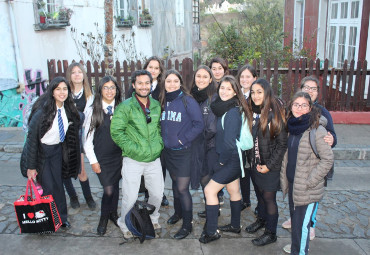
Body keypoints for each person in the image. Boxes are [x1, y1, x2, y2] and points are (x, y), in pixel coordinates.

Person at [21, 76, 81, 229]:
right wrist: (31, 166)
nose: (62, 92)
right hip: (42, 152)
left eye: (65, 89)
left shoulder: (67, 109)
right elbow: (32, 141)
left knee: (59, 186)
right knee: (48, 187)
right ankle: (48, 218)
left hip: (57, 151)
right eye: (58, 89)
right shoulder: (42, 112)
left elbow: (74, 126)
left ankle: (62, 218)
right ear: (52, 91)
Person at [281, 75, 337, 240]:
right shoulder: (292, 121)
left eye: (314, 88)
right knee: (297, 215)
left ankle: (309, 226)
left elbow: (331, 138)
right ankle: (298, 230)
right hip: (295, 178)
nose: (310, 90)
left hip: (311, 173)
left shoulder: (321, 115)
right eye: (307, 87)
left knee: (305, 219)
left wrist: (331, 139)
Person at [111, 70, 164, 239]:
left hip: (154, 159)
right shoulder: (125, 106)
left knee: (157, 193)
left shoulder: (155, 105)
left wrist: (159, 145)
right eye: (140, 83)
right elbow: (117, 132)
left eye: (147, 83)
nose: (144, 86)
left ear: (151, 84)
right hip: (133, 159)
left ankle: (153, 217)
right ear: (133, 85)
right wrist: (134, 149)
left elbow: (159, 128)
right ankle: (124, 223)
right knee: (130, 195)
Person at [199, 75, 251, 244]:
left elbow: (229, 143)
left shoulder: (232, 112)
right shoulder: (228, 108)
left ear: (235, 91)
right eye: (222, 88)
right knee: (234, 190)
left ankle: (212, 231)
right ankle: (235, 225)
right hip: (234, 160)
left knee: (210, 191)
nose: (225, 91)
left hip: (230, 160)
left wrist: (221, 162)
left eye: (229, 89)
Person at [159, 69, 204, 239]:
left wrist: (182, 139)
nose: (172, 84)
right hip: (168, 152)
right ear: (164, 83)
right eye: (168, 81)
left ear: (180, 83)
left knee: (182, 188)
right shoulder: (163, 101)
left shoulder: (187, 101)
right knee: (175, 184)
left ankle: (187, 225)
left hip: (184, 152)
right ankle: (178, 214)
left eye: (175, 81)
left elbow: (198, 125)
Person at [245, 78, 287, 246]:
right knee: (260, 196)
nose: (255, 96)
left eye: (259, 92)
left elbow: (282, 144)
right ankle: (261, 220)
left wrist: (268, 166)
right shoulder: (252, 111)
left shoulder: (274, 114)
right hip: (255, 164)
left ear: (267, 93)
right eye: (253, 92)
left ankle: (271, 233)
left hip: (270, 167)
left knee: (269, 198)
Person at [83, 76, 123, 236]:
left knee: (115, 187)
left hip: (119, 157)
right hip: (102, 159)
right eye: (105, 87)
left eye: (112, 87)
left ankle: (113, 214)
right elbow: (86, 140)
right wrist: (93, 161)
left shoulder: (121, 108)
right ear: (100, 90)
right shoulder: (93, 110)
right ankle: (103, 218)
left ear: (117, 90)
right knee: (108, 189)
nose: (109, 91)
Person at [63, 62, 96, 210]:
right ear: (70, 75)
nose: (77, 74)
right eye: (73, 72)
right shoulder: (64, 92)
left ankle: (88, 197)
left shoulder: (89, 95)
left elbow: (89, 120)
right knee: (63, 169)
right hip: (63, 136)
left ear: (83, 75)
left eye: (79, 72)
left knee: (81, 170)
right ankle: (73, 197)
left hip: (79, 136)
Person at [189, 65, 218, 218]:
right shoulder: (190, 96)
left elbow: (212, 127)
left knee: (207, 177)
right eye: (198, 76)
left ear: (210, 79)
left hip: (209, 144)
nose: (201, 79)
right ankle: (211, 206)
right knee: (201, 176)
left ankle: (213, 209)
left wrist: (196, 137)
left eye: (205, 77)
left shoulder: (214, 97)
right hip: (196, 145)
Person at [142, 56, 168, 207]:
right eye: (150, 67)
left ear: (160, 71)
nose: (153, 70)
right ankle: (147, 193)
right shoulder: (137, 85)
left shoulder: (163, 87)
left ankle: (161, 193)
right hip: (142, 134)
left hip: (159, 133)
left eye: (156, 68)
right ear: (145, 68)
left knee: (160, 165)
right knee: (145, 164)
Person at [236, 64, 258, 211]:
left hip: (255, 139)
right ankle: (245, 200)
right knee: (243, 171)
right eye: (242, 76)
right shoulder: (236, 95)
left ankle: (260, 203)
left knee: (255, 174)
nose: (244, 79)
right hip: (239, 139)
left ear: (254, 78)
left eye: (248, 76)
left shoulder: (258, 95)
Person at [209, 57, 229, 204]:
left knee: (221, 163)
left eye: (219, 68)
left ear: (224, 69)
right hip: (209, 132)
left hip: (223, 131)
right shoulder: (207, 85)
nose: (216, 71)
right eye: (214, 68)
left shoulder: (228, 86)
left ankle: (219, 193)